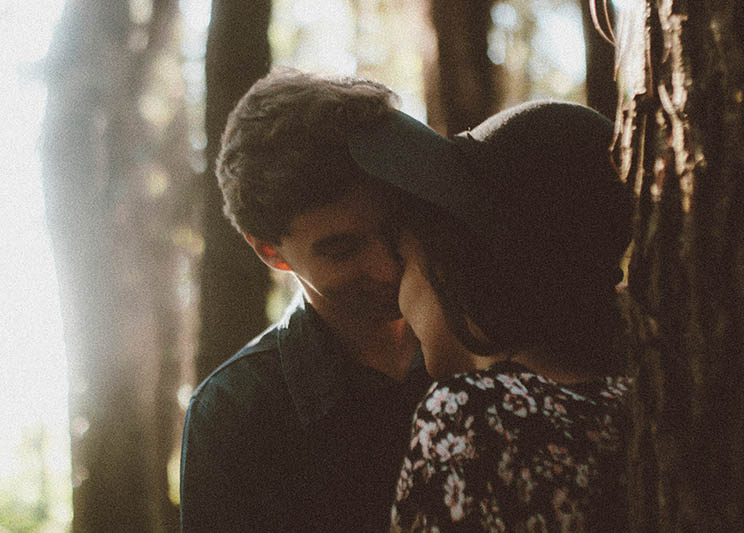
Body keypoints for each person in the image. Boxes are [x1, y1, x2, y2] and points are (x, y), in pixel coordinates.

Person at [347, 101, 633, 531]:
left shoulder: (475, 416)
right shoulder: (634, 404)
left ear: (455, 266)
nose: (396, 296)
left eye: (404, 260)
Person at [179, 68, 431, 532]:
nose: (387, 268)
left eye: (393, 227)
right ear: (270, 251)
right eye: (343, 248)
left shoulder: (492, 345)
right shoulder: (236, 414)